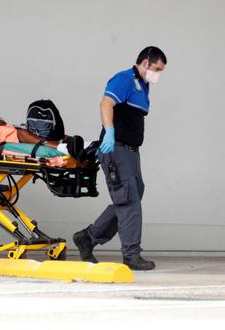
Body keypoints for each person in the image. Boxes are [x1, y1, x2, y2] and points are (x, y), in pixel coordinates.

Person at [73, 46, 167, 271]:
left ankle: (88, 237)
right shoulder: (124, 79)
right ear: (145, 62)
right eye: (157, 68)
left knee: (130, 197)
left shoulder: (143, 86)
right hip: (116, 148)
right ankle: (131, 255)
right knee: (128, 201)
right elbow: (106, 103)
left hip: (132, 152)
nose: (158, 74)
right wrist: (110, 132)